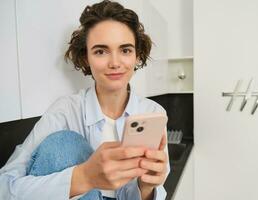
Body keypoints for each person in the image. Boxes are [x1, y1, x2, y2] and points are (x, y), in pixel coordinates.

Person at [0, 1, 169, 199]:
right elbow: (4, 187)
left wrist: (146, 188)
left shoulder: (152, 113)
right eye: (100, 51)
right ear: (85, 57)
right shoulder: (65, 111)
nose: (115, 63)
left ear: (137, 55)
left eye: (125, 50)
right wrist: (84, 177)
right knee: (64, 144)